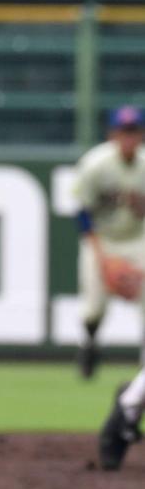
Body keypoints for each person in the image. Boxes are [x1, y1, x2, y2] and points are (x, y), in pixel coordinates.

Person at [74, 106, 145, 381]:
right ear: (112, 134)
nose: (129, 138)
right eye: (124, 131)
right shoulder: (95, 164)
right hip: (102, 239)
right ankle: (89, 343)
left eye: (134, 132)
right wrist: (105, 260)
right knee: (93, 309)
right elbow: (81, 214)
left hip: (138, 238)